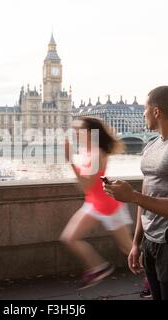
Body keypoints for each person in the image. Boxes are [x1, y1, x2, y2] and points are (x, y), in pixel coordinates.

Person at [103, 86, 168, 300]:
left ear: (156, 111)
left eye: (145, 108)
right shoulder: (151, 146)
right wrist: (136, 243)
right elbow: (148, 192)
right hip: (151, 242)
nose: (143, 113)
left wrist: (131, 196)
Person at [60, 116, 133, 290]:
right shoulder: (88, 151)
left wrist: (70, 161)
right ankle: (98, 268)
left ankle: (156, 277)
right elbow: (86, 186)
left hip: (109, 206)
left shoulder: (97, 153)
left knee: (128, 249)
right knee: (69, 238)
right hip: (93, 203)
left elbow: (85, 185)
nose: (75, 133)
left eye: (79, 130)